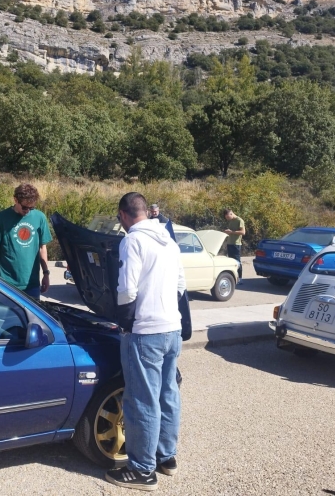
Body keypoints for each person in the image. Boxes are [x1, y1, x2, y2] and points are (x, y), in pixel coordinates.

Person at [105, 192, 186, 491]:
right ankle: (167, 458)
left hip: (146, 332)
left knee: (141, 400)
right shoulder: (169, 240)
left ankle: (142, 470)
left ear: (124, 215)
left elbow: (127, 289)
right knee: (168, 395)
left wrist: (125, 322)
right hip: (172, 330)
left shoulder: (133, 240)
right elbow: (180, 285)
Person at [0, 183, 52, 299]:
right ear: (15, 200)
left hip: (32, 284)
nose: (28, 211)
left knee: (33, 317)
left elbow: (42, 248)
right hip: (6, 284)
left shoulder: (40, 218)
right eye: (25, 207)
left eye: (31, 208)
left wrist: (46, 273)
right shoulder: (1, 218)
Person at [222, 208, 245, 286]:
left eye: (228, 217)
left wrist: (232, 232)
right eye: (226, 218)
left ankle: (240, 278)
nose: (228, 219)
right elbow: (231, 231)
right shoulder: (231, 221)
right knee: (231, 261)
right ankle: (233, 278)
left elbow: (243, 232)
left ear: (231, 213)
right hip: (230, 243)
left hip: (236, 244)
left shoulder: (240, 220)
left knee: (237, 262)